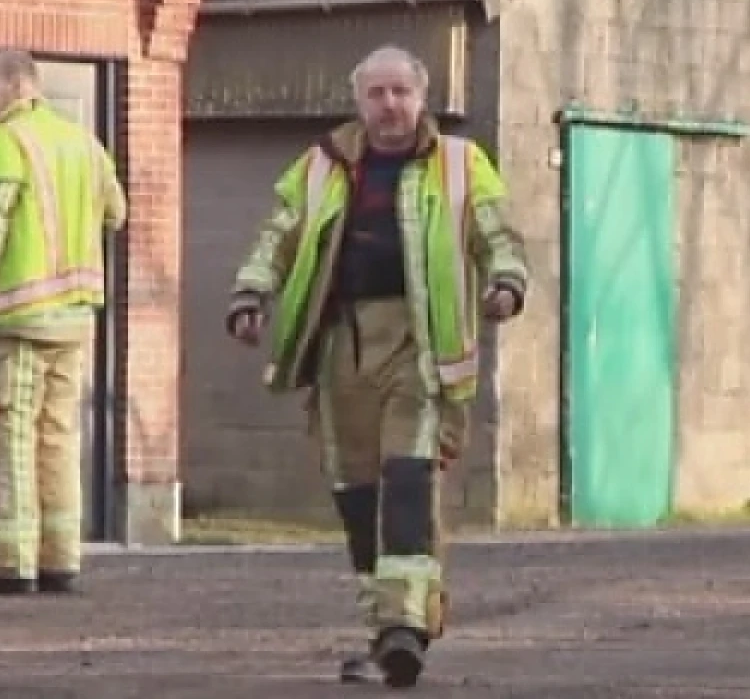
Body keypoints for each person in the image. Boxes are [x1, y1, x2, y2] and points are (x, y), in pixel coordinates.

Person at [225, 45, 528, 688]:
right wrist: (250, 294)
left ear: (423, 98)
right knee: (356, 491)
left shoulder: (461, 164)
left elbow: (496, 233)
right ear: (359, 102)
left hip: (421, 349)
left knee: (410, 478)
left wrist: (507, 282)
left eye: (401, 93)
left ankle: (405, 628)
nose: (390, 106)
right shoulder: (320, 165)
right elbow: (277, 235)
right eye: (376, 94)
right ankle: (385, 625)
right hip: (341, 345)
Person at [0, 49, 126, 596]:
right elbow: (116, 214)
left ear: (15, 86)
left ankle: (12, 564)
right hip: (74, 319)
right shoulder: (84, 143)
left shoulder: (4, 142)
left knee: (11, 441)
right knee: (58, 438)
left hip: (17, 321)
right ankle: (60, 557)